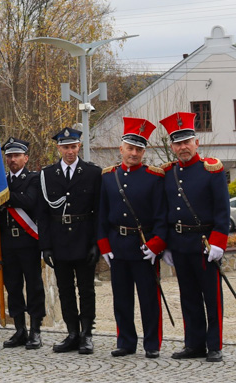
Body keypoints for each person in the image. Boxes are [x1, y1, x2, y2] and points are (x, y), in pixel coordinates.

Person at [159, 111, 230, 362]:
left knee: (212, 297)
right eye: (178, 143)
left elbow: (222, 210)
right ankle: (194, 344)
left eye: (187, 142)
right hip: (179, 245)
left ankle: (214, 345)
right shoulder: (168, 173)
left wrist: (219, 242)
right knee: (188, 296)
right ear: (172, 147)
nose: (183, 147)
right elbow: (165, 211)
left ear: (196, 142)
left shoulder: (212, 170)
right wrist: (166, 245)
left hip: (205, 244)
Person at [96, 118, 167, 359]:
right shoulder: (107, 177)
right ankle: (125, 341)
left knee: (149, 299)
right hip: (117, 244)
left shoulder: (154, 177)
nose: (134, 153)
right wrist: (104, 244)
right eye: (130, 148)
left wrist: (156, 244)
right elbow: (102, 214)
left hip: (143, 246)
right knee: (122, 299)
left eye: (138, 149)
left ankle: (152, 344)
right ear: (121, 148)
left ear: (143, 151)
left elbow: (161, 216)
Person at [37, 127, 102, 354]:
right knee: (65, 289)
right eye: (65, 147)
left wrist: (97, 243)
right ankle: (72, 332)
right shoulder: (47, 175)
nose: (70, 151)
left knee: (86, 290)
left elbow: (98, 211)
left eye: (73, 146)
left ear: (79, 147)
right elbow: (43, 213)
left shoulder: (93, 173)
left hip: (84, 238)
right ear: (58, 148)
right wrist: (45, 246)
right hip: (59, 239)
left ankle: (87, 334)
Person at [0, 138, 45, 350]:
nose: (13, 159)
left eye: (17, 155)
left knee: (34, 286)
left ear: (26, 157)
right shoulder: (0, 181)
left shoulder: (34, 178)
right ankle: (19, 329)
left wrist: (5, 198)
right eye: (9, 156)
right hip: (7, 242)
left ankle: (35, 329)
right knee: (13, 286)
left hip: (28, 241)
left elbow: (30, 201)